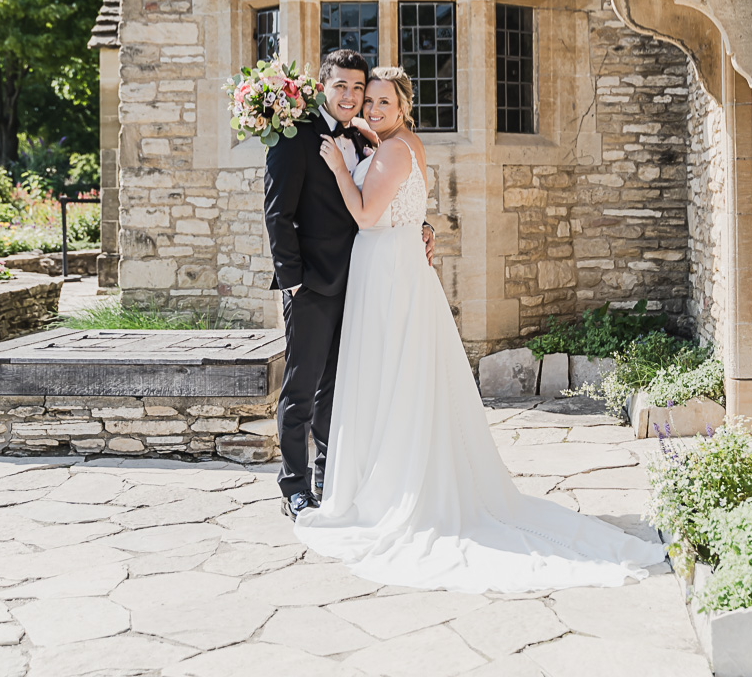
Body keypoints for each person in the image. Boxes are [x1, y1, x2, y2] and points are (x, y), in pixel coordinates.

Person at [293, 66, 667, 592]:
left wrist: (336, 167)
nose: (372, 109)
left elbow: (364, 214)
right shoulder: (396, 144)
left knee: (390, 375)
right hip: (395, 264)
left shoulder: (393, 149)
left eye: (382, 102)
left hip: (387, 270)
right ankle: (394, 474)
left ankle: (395, 489)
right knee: (400, 377)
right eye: (368, 100)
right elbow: (408, 207)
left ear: (403, 107)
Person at [263, 49, 434, 520]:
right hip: (313, 286)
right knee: (301, 388)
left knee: (337, 391)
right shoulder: (294, 136)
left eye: (359, 88)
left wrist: (422, 227)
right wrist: (293, 283)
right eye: (342, 86)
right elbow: (277, 214)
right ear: (323, 86)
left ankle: (328, 477)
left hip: (361, 285)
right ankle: (294, 486)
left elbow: (389, 196)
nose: (352, 96)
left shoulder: (365, 138)